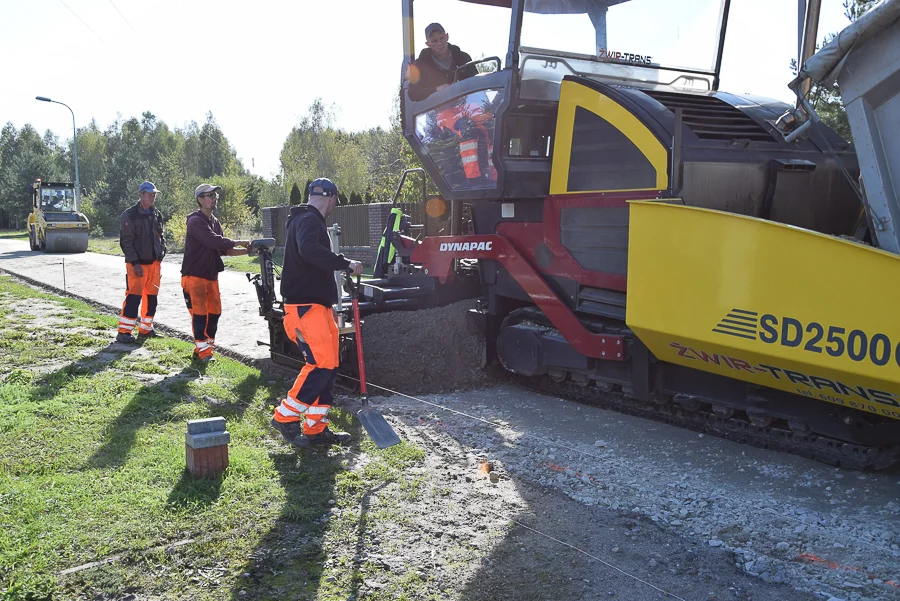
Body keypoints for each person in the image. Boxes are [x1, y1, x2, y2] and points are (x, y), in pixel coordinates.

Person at [270, 177, 363, 448]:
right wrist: (344, 262)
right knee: (321, 366)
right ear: (332, 198)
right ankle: (285, 416)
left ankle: (315, 427)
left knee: (329, 366)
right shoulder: (309, 220)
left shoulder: (304, 219)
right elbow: (310, 250)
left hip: (315, 307)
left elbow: (310, 254)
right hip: (306, 308)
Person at [180, 183, 250, 363]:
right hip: (194, 275)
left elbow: (223, 250)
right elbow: (214, 241)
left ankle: (204, 349)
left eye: (214, 195)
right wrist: (240, 241)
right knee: (200, 314)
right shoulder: (195, 221)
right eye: (209, 195)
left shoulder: (215, 221)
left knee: (215, 313)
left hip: (211, 276)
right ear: (200, 199)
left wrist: (249, 251)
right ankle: (204, 353)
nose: (213, 198)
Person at [117, 181, 166, 343]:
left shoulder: (156, 213)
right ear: (141, 195)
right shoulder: (129, 215)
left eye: (154, 194)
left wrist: (162, 252)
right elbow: (126, 242)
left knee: (152, 298)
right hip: (136, 265)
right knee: (133, 297)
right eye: (149, 194)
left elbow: (160, 237)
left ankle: (145, 329)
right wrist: (135, 263)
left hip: (154, 265)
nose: (153, 197)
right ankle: (124, 332)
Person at [407, 22, 476, 101]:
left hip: (468, 106)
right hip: (438, 110)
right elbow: (412, 93)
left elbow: (477, 83)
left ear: (447, 37)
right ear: (428, 44)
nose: (440, 43)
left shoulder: (463, 58)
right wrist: (436, 89)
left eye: (441, 38)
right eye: (434, 41)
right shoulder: (420, 65)